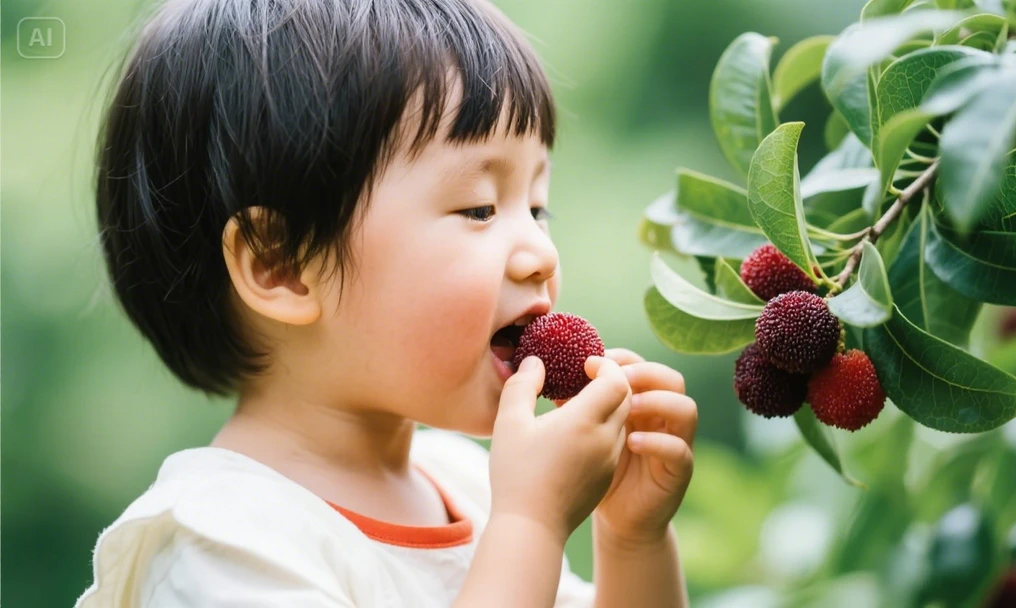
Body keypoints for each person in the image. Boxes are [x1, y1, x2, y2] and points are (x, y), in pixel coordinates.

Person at [76, 0, 698, 605]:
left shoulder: (470, 484)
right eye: (478, 207)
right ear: (282, 265)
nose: (540, 251)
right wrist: (531, 526)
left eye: (537, 208)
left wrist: (629, 537)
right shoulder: (220, 543)